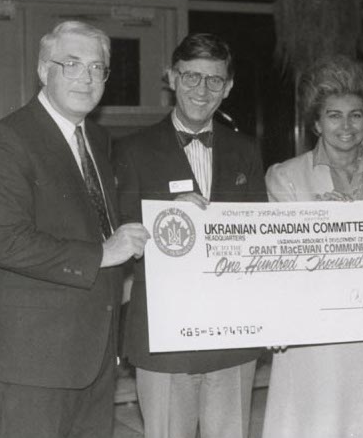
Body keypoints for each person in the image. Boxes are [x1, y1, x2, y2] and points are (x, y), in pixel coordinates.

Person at [0, 20, 150, 438]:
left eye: (96, 68)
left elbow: (106, 223)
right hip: (32, 363)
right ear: (42, 69)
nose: (86, 78)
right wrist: (105, 253)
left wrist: (175, 216)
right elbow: (10, 244)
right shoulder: (6, 140)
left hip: (95, 356)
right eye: (71, 64)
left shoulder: (97, 140)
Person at [113, 33, 267, 438]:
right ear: (171, 78)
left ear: (228, 87)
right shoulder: (132, 150)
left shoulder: (246, 150)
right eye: (192, 77)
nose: (202, 90)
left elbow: (260, 243)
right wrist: (167, 217)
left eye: (214, 80)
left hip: (232, 332)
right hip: (165, 336)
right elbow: (119, 235)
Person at [263, 55, 363, 438]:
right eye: (334, 115)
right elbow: (282, 260)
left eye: (355, 115)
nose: (346, 126)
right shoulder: (285, 176)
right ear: (316, 123)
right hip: (319, 332)